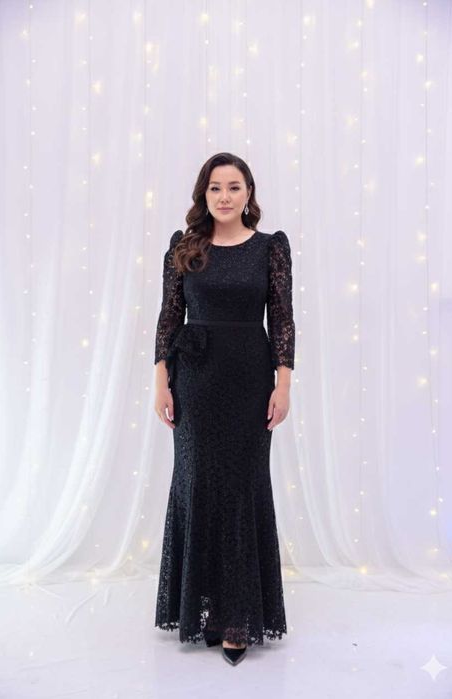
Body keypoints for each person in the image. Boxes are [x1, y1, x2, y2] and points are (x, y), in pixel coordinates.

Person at [153, 152, 295, 666]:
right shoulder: (184, 246)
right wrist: (161, 381)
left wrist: (283, 383)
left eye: (234, 187)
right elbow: (169, 317)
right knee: (196, 484)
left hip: (250, 380)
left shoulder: (270, 248)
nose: (225, 196)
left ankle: (238, 617)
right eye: (215, 187)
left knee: (243, 487)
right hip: (194, 381)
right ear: (204, 194)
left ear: (249, 193)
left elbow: (282, 318)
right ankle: (203, 610)